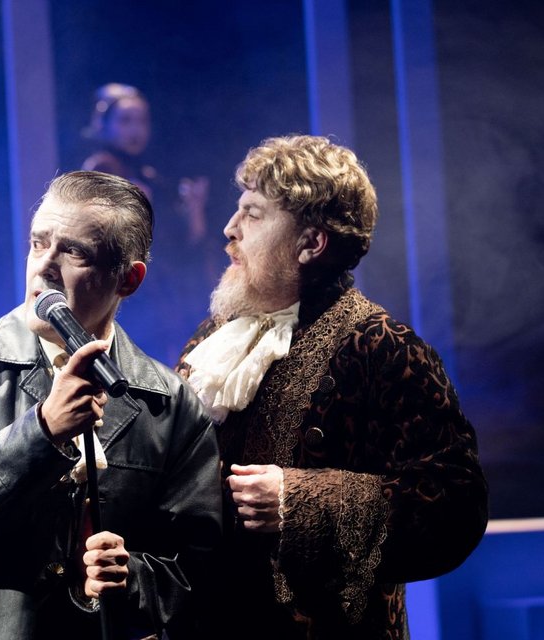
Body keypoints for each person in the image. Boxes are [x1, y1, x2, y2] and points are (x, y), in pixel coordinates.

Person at [176, 135, 488, 638]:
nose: (230, 229)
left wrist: (300, 501)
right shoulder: (213, 337)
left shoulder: (383, 347)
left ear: (311, 244)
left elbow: (456, 506)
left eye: (253, 214)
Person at [0, 170, 222, 639]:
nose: (43, 267)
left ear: (128, 279)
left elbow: (197, 571)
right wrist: (42, 429)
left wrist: (130, 579)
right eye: (37, 243)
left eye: (73, 252)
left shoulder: (170, 406)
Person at [81, 83, 220, 365]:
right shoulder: (102, 168)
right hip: (133, 290)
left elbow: (183, 245)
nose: (135, 130)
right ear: (104, 124)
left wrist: (193, 210)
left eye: (141, 121)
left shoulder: (148, 174)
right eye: (125, 121)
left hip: (162, 287)